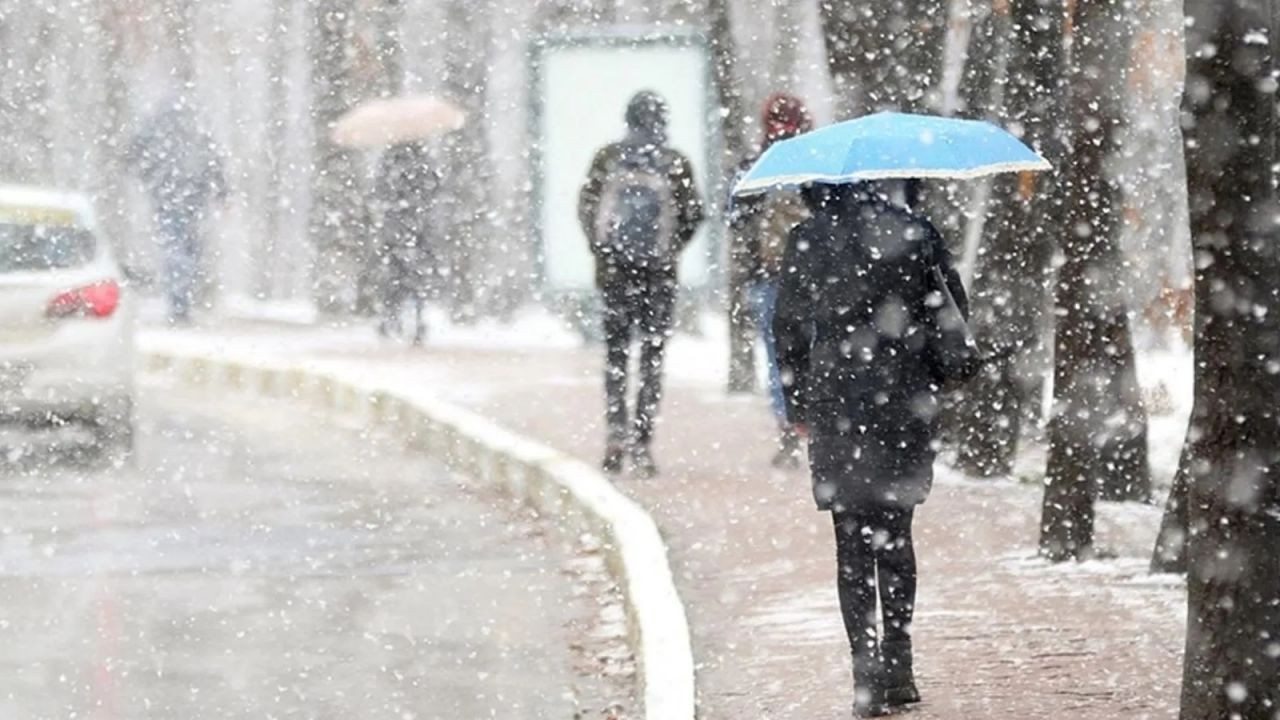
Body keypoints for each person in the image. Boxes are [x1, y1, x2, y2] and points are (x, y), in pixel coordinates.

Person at [773, 182, 968, 717]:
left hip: (836, 399)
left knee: (850, 538)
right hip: (904, 398)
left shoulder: (807, 238)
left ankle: (865, 671)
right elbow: (952, 308)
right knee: (897, 533)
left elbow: (786, 326)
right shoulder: (915, 231)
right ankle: (900, 666)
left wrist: (797, 407)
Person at [578, 91, 704, 477]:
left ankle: (615, 434)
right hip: (658, 277)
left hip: (614, 275)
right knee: (652, 357)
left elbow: (586, 207)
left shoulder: (608, 158)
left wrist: (604, 251)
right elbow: (694, 214)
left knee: (616, 356)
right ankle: (643, 442)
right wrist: (668, 251)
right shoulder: (674, 162)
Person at [729, 93, 814, 467]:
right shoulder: (817, 164)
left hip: (769, 277)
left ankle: (788, 428)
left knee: (779, 358)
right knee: (816, 353)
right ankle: (817, 424)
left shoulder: (754, 166)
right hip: (814, 278)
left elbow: (734, 215)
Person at [127, 96, 227, 324]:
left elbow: (134, 153)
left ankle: (179, 301)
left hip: (166, 194)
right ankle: (182, 300)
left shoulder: (157, 125)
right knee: (188, 248)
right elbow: (213, 157)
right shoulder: (195, 125)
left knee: (174, 248)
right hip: (192, 195)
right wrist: (222, 191)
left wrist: (145, 176)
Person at [370, 141, 439, 345]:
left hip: (398, 230)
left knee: (396, 279)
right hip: (416, 229)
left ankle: (392, 320)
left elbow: (380, 191)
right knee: (414, 280)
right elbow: (434, 188)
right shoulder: (422, 160)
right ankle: (413, 323)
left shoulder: (391, 160)